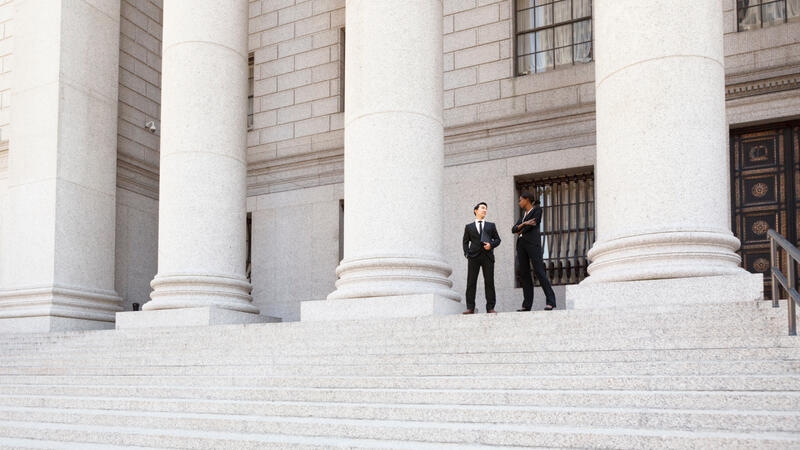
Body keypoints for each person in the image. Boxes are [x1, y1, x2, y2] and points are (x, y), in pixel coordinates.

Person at [512, 192, 556, 311]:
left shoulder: (537, 210)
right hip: (521, 246)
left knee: (539, 271)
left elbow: (534, 223)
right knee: (525, 275)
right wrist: (525, 223)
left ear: (527, 200)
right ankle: (527, 305)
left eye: (520, 200)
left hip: (533, 244)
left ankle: (551, 301)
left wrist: (520, 228)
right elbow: (513, 229)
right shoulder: (523, 217)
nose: (519, 202)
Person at [462, 202, 501, 314]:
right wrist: (466, 253)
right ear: (476, 210)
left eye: (486, 209)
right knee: (471, 282)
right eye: (482, 208)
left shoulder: (491, 225)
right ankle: (470, 307)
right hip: (473, 257)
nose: (485, 210)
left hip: (487, 257)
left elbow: (498, 239)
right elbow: (465, 242)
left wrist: (491, 245)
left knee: (489, 282)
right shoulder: (468, 227)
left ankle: (490, 307)